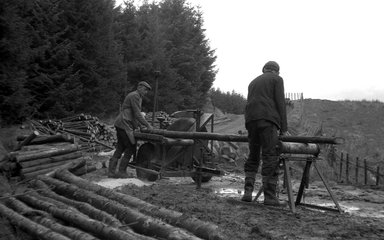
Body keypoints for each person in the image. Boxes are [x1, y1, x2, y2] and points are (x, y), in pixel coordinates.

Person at [242, 61, 288, 206]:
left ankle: (247, 193)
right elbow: (280, 103)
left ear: (265, 69)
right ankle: (269, 197)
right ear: (276, 71)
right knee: (269, 155)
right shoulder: (277, 79)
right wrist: (284, 128)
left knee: (253, 155)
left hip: (251, 120)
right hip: (267, 120)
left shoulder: (253, 82)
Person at [108, 81, 153, 178]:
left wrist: (140, 126)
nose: (145, 92)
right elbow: (137, 114)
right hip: (124, 123)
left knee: (120, 148)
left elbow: (134, 114)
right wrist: (147, 125)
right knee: (130, 147)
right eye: (145, 90)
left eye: (147, 91)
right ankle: (121, 172)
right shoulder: (135, 96)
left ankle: (111, 172)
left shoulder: (138, 97)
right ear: (139, 87)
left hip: (122, 123)